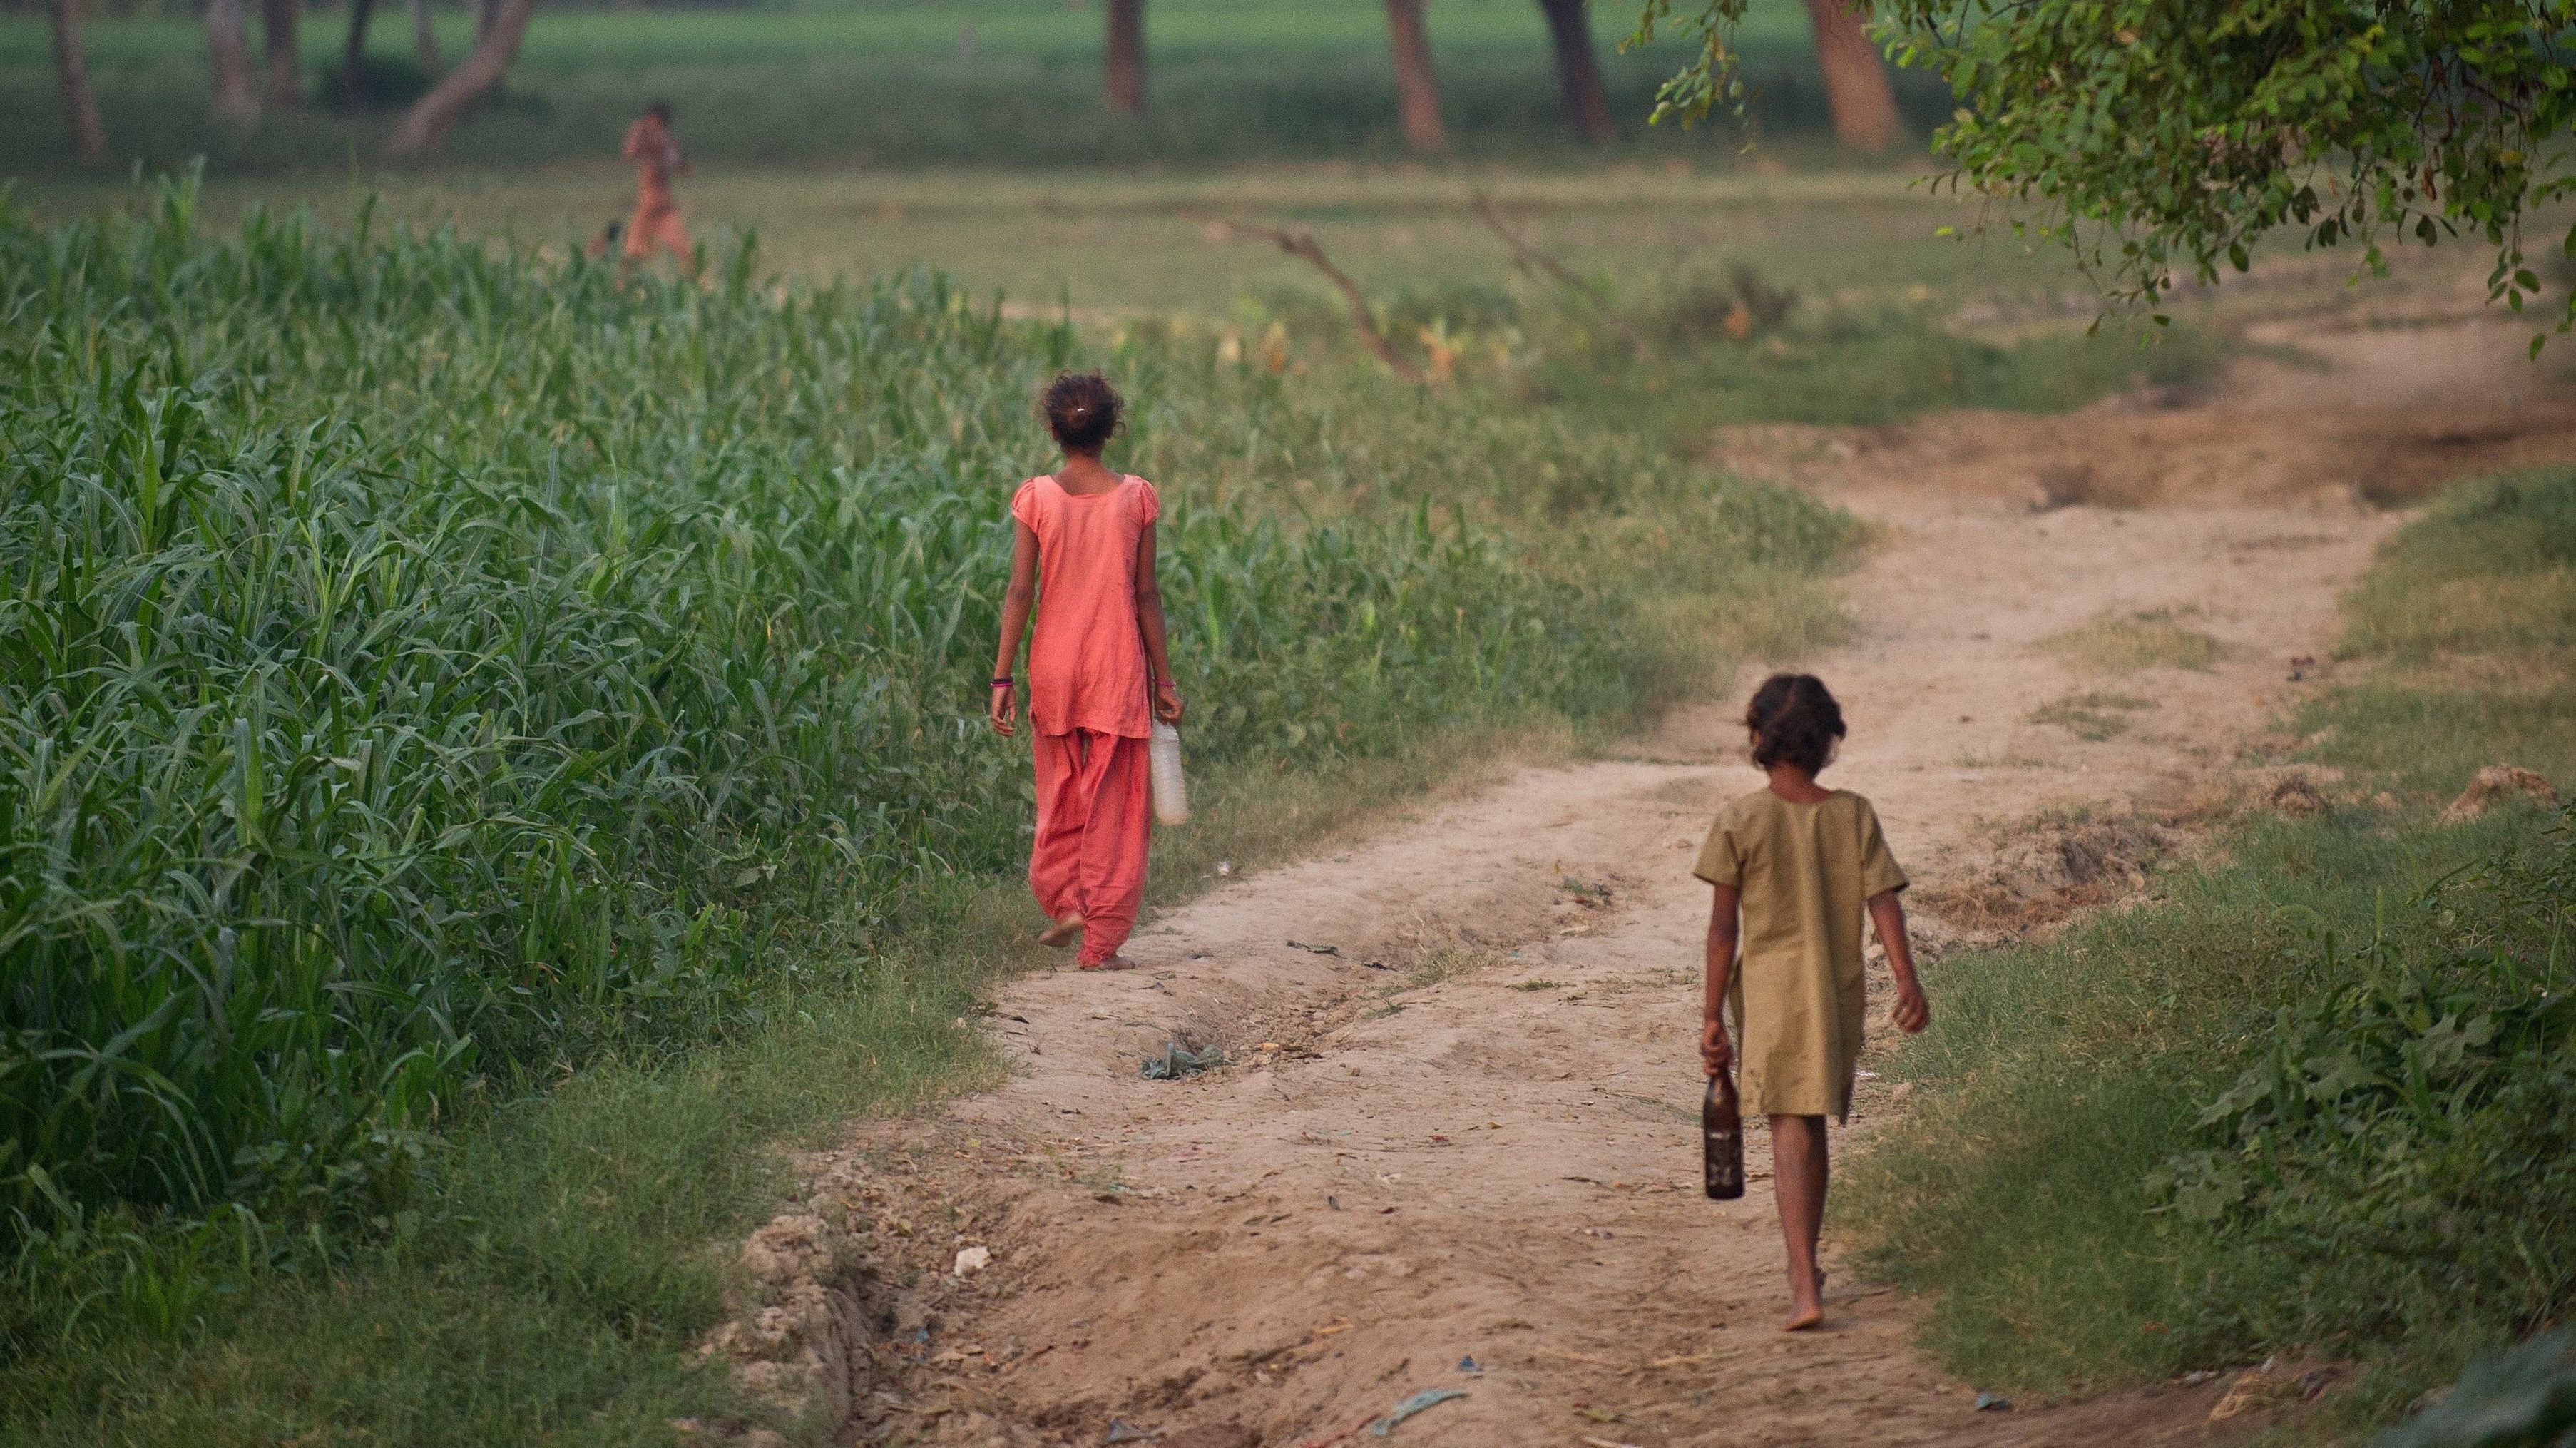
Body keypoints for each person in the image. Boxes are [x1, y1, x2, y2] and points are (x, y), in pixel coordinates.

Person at [1694, 673, 1930, 1332]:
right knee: (1810, 1121)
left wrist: (1712, 1016)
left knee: (1790, 1124)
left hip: (1769, 998)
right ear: (1829, 740)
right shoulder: (1852, 814)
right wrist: (1907, 980)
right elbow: (1885, 903)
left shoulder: (1741, 819)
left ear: (1758, 739)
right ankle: (1808, 1268)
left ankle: (1802, 1279)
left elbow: (1722, 931)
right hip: (1832, 993)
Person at [988, 372, 1183, 972]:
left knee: (1061, 794)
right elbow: (1145, 595)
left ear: (1052, 428)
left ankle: (1065, 901)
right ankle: (1101, 942)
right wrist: (1165, 681)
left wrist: (1001, 678)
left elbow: (1021, 591)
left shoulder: (1036, 498)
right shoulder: (1138, 499)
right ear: (1112, 428)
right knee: (1116, 810)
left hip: (1054, 668)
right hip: (1116, 668)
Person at [619, 101, 691, 268]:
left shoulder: (660, 142)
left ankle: (621, 285)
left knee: (634, 250)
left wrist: (637, 130)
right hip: (659, 205)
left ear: (655, 120)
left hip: (654, 206)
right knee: (680, 248)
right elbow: (683, 169)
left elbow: (629, 154)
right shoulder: (665, 142)